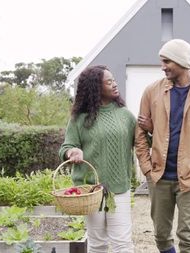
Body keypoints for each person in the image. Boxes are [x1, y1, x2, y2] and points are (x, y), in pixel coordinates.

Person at [135, 39, 190, 253]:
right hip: (159, 178)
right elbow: (139, 135)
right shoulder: (151, 92)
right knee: (161, 236)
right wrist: (147, 169)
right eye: (162, 61)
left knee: (188, 238)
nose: (162, 66)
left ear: (181, 61)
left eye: (167, 61)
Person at [59, 65, 135, 253]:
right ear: (95, 88)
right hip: (92, 191)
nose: (115, 84)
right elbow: (66, 147)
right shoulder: (79, 119)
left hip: (119, 188)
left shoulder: (124, 115)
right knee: (97, 243)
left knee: (123, 244)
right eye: (109, 82)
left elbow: (142, 142)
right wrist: (72, 152)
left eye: (114, 80)